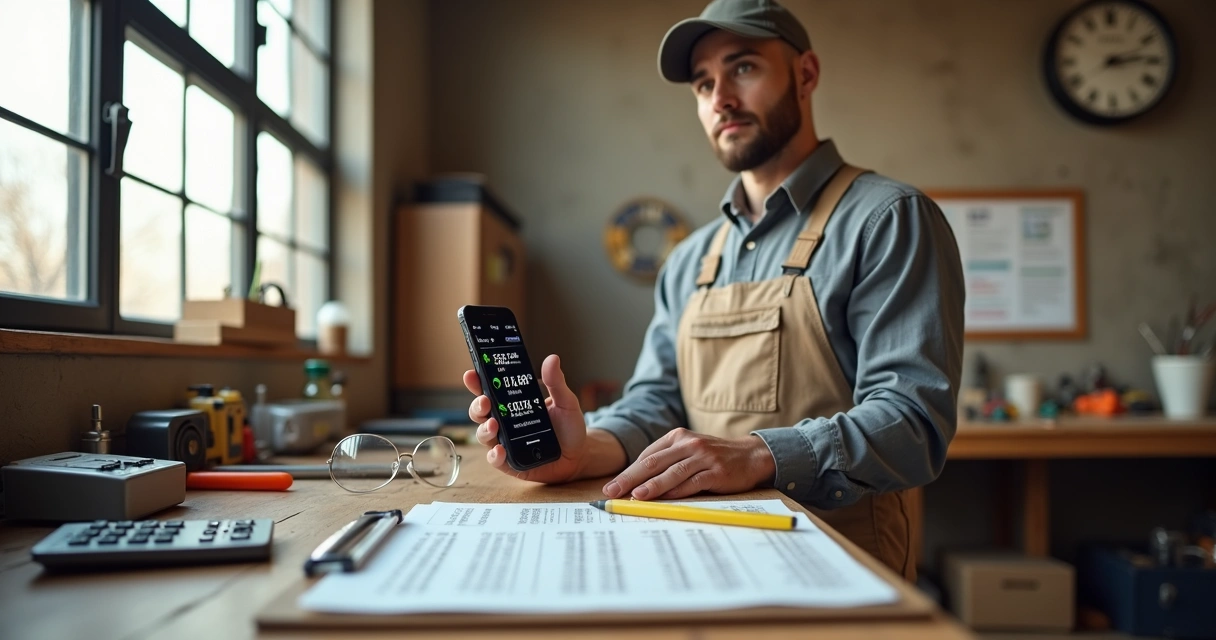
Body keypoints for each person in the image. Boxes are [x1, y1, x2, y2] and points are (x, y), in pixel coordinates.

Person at [463, 0, 964, 579]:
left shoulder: (888, 219)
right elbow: (656, 404)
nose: (719, 97)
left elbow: (913, 422)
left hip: (841, 565)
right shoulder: (690, 260)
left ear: (805, 75)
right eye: (703, 83)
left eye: (743, 68)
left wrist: (758, 455)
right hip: (696, 556)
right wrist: (583, 450)